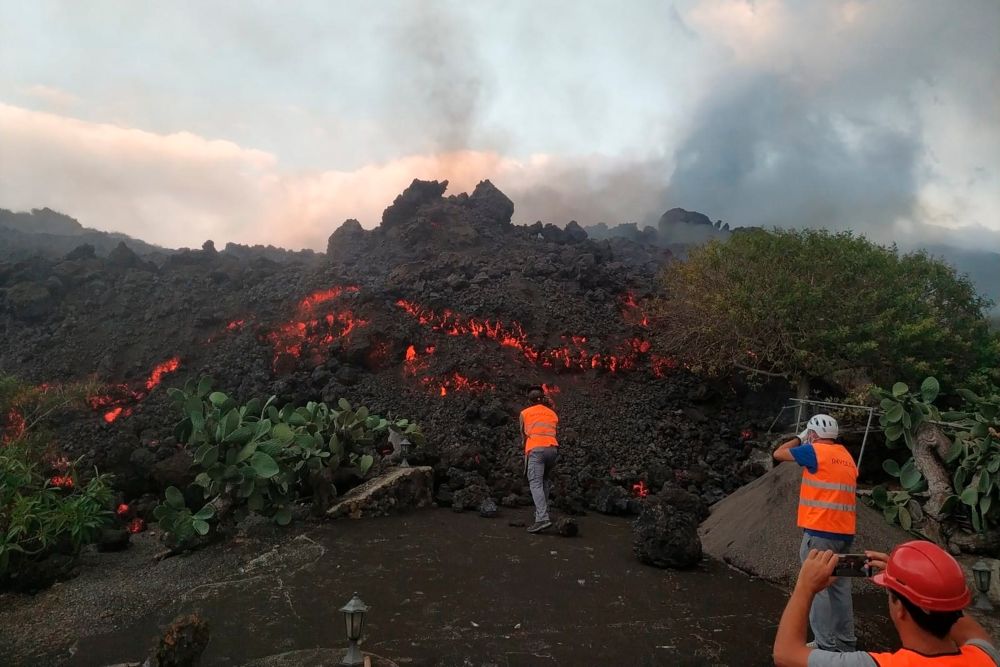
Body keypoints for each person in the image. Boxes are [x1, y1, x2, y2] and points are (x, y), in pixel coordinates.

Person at [774, 541, 1000, 666]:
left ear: (899, 608)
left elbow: (786, 653)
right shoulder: (986, 657)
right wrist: (910, 576)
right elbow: (951, 607)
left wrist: (805, 586)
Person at [774, 414, 858, 651]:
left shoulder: (814, 451)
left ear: (813, 435)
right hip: (845, 534)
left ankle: (824, 644)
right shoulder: (846, 456)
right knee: (840, 588)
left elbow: (779, 453)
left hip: (821, 532)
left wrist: (800, 438)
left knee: (817, 585)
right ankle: (845, 643)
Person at [520, 387, 559, 533]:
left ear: (529, 401)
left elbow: (523, 436)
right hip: (553, 449)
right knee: (544, 480)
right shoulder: (552, 413)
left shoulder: (525, 413)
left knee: (535, 483)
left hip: (536, 450)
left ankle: (542, 518)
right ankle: (543, 511)